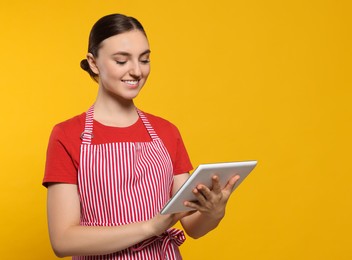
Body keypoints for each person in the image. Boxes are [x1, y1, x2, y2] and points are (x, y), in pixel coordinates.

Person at [43, 13, 240, 259]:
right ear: (93, 63)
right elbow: (63, 241)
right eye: (122, 61)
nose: (136, 71)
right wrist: (150, 227)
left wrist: (214, 212)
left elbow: (192, 226)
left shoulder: (166, 132)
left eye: (144, 59)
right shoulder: (68, 135)